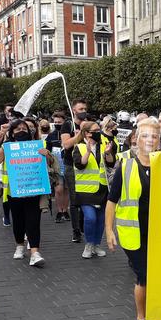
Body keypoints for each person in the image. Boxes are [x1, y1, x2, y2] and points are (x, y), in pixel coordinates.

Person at [106, 118, 161, 320]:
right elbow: (111, 200)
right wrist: (108, 230)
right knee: (144, 276)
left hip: (160, 232)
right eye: (145, 135)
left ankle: (152, 318)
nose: (150, 140)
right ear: (136, 139)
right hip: (133, 232)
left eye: (154, 136)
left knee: (156, 277)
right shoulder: (126, 166)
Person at [0, 119, 51, 267]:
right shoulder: (7, 147)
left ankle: (35, 253)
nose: (21, 131)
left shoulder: (37, 146)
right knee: (18, 221)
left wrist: (46, 155)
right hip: (14, 191)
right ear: (12, 133)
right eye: (17, 129)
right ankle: (20, 246)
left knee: (33, 221)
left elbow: (48, 164)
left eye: (24, 129)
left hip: (33, 190)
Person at [73, 121, 109, 259]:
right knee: (90, 218)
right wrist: (88, 152)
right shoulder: (79, 147)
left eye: (99, 129)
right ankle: (89, 244)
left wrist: (108, 154)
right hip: (85, 190)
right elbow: (80, 165)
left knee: (100, 219)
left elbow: (110, 163)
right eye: (95, 130)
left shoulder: (103, 145)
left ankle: (97, 245)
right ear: (87, 133)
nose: (98, 132)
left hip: (101, 188)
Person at [61, 99, 90, 242]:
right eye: (80, 109)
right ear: (74, 110)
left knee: (85, 196)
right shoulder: (67, 125)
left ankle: (84, 226)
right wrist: (79, 135)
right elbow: (66, 144)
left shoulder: (89, 123)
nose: (83, 111)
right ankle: (76, 230)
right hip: (70, 165)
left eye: (85, 108)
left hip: (86, 165)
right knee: (74, 199)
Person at [47, 112, 70, 223]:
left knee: (66, 189)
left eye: (59, 122)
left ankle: (65, 210)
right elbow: (47, 150)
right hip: (56, 167)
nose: (57, 124)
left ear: (64, 122)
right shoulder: (51, 136)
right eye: (55, 122)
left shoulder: (69, 134)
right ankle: (59, 210)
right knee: (59, 189)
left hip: (68, 165)